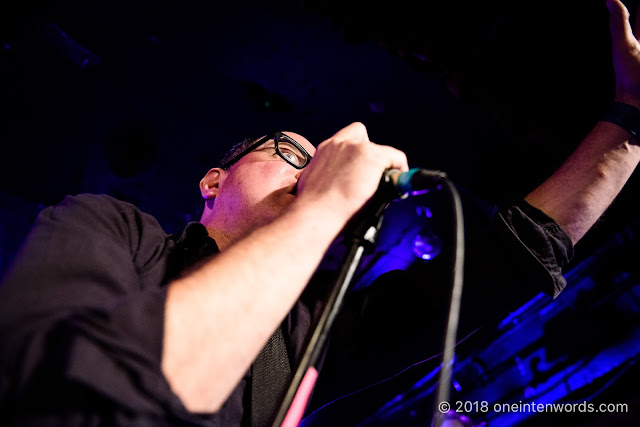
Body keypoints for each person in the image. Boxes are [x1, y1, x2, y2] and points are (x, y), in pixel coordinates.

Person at [0, 0, 638, 425]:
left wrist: (629, 127)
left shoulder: (312, 330)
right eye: (288, 153)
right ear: (213, 179)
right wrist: (327, 201)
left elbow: (513, 259)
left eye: (317, 164)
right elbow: (57, 391)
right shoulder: (112, 228)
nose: (308, 171)